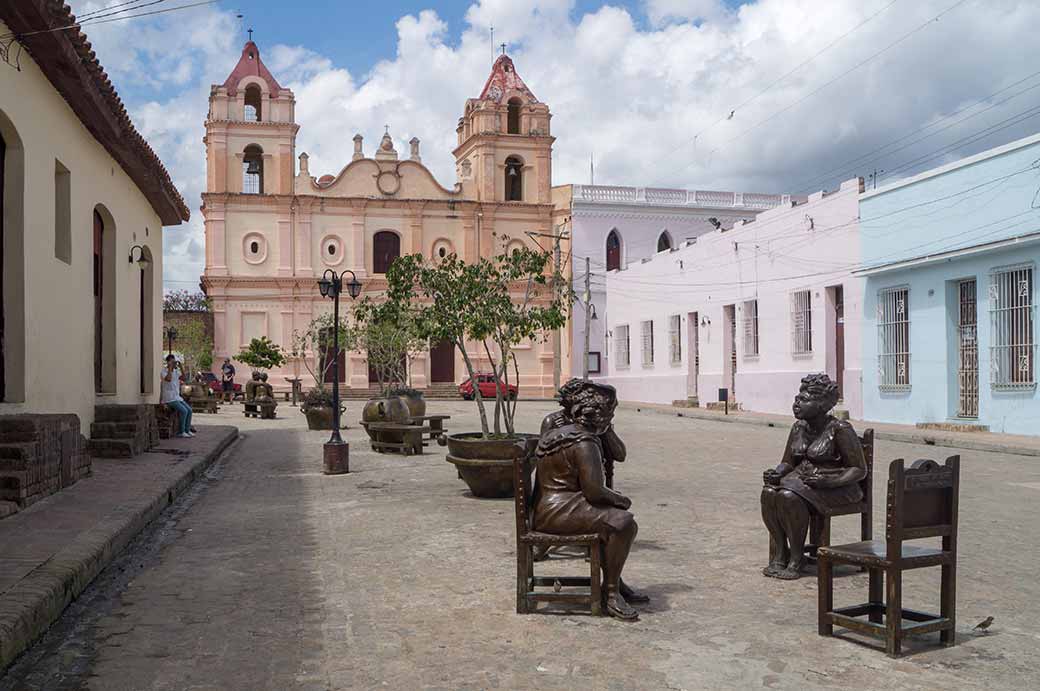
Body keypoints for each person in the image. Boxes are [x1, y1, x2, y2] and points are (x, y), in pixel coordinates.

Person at [532, 379, 645, 620]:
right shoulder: (583, 440)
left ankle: (614, 581)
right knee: (623, 522)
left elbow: (617, 456)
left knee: (615, 520)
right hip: (559, 510)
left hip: (551, 506)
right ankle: (611, 593)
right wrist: (621, 500)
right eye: (609, 413)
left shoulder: (569, 434)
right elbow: (594, 490)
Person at [760, 373, 867, 580]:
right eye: (797, 399)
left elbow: (858, 469)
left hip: (837, 487)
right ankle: (782, 552)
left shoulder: (840, 429)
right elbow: (788, 462)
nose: (797, 404)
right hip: (803, 482)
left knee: (788, 497)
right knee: (769, 493)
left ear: (821, 404)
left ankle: (797, 557)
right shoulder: (799, 427)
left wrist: (830, 481)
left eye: (804, 400)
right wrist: (777, 472)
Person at [161, 354, 194, 438]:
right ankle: (181, 431)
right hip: (169, 398)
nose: (174, 364)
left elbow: (184, 378)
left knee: (189, 410)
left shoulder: (176, 371)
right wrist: (169, 368)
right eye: (172, 362)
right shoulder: (164, 371)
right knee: (184, 411)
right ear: (168, 362)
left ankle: (187, 430)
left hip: (177, 397)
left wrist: (181, 366)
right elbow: (168, 379)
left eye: (174, 362)